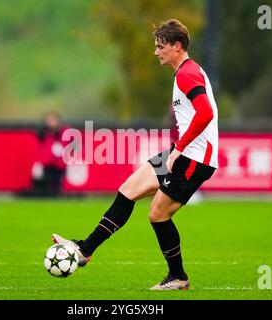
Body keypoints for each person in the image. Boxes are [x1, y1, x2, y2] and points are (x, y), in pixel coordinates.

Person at [52, 19, 218, 290]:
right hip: (184, 153)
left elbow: (206, 113)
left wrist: (180, 147)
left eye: (160, 46)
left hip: (194, 158)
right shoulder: (186, 73)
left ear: (177, 46)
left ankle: (178, 276)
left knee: (157, 215)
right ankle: (84, 250)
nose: (156, 52)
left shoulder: (188, 74)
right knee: (128, 189)